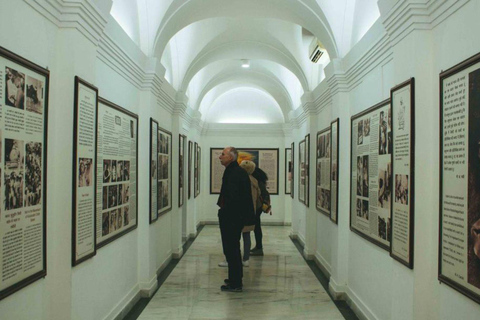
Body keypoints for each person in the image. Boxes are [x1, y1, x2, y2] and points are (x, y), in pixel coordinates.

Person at [217, 147, 255, 292]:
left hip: (232, 217)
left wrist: (226, 214)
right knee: (231, 249)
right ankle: (234, 277)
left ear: (231, 158)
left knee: (231, 249)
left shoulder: (235, 173)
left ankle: (236, 283)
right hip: (232, 216)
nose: (220, 157)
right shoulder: (233, 171)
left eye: (223, 154)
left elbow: (234, 198)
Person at [239, 160, 261, 267]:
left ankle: (235, 257)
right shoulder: (255, 181)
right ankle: (246, 258)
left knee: (235, 237)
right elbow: (257, 199)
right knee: (247, 235)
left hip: (238, 212)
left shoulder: (238, 180)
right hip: (250, 212)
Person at [250, 167, 271, 256]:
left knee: (256, 227)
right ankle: (259, 247)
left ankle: (259, 247)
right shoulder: (261, 181)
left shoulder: (256, 182)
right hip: (259, 207)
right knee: (257, 226)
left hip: (257, 206)